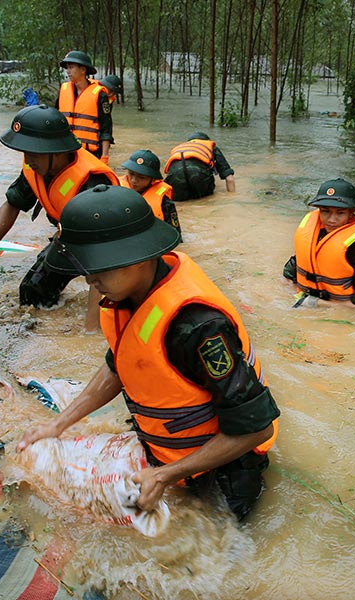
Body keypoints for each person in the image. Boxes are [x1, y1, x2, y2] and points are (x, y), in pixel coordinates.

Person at [17, 185, 280, 521]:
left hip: (224, 472)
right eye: (87, 269)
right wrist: (59, 425)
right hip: (168, 455)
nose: (89, 280)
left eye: (100, 268)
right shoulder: (126, 296)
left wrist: (163, 476)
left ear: (138, 256)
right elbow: (119, 365)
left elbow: (256, 428)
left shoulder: (198, 328)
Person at [0, 104, 119, 315]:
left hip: (112, 244)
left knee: (114, 303)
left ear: (55, 150)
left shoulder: (91, 182)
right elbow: (12, 204)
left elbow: (103, 255)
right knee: (32, 293)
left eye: (33, 154)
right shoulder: (35, 165)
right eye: (25, 152)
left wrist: (90, 330)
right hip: (71, 236)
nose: (27, 161)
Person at [282, 178, 355, 308]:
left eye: (340, 213)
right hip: (307, 300)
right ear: (319, 210)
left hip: (338, 309)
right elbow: (289, 275)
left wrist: (314, 303)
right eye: (325, 211)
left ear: (351, 213)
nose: (332, 220)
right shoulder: (313, 236)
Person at [56, 50, 113, 163]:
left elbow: (106, 128)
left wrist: (105, 156)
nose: (68, 71)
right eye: (67, 68)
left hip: (90, 154)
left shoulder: (99, 94)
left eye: (71, 67)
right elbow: (55, 120)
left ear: (83, 70)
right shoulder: (63, 90)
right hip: (66, 151)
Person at [119, 149, 180, 235]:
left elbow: (175, 234)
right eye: (131, 174)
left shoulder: (165, 202)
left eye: (142, 177)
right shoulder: (115, 190)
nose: (134, 180)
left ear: (153, 179)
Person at [163, 132, 236, 201]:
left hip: (175, 176)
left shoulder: (179, 148)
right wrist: (232, 199)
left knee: (181, 202)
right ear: (207, 140)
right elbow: (229, 178)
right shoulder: (210, 146)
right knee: (204, 201)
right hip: (199, 174)